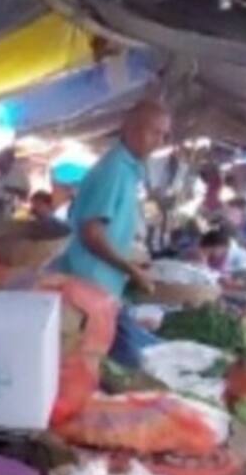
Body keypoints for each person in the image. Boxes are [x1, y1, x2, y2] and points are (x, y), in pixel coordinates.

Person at [60, 97, 171, 364]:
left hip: (101, 289)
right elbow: (91, 233)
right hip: (89, 289)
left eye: (163, 135)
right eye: (154, 132)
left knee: (119, 363)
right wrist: (129, 269)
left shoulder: (127, 170)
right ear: (130, 128)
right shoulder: (114, 171)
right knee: (126, 364)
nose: (159, 141)